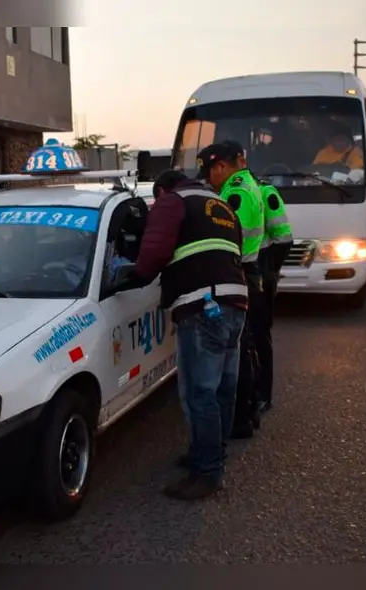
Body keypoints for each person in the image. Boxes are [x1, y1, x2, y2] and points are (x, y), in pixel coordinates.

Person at [111, 168, 247, 501]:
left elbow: (155, 251)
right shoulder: (219, 204)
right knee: (222, 389)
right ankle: (210, 453)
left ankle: (208, 472)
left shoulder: (172, 201)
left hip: (202, 307)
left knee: (199, 393)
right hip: (235, 303)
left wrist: (135, 276)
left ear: (161, 189)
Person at [196, 141, 266, 439]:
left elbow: (228, 235)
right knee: (244, 346)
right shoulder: (248, 184)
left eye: (208, 171)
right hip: (249, 270)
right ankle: (246, 414)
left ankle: (241, 418)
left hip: (240, 271)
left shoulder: (235, 192)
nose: (206, 178)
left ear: (221, 166)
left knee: (238, 351)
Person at [223, 140, 293, 415]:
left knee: (259, 335)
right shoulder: (231, 191)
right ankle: (251, 392)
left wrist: (269, 271)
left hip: (259, 272)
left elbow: (284, 239)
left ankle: (263, 393)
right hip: (250, 271)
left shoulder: (265, 192)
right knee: (248, 335)